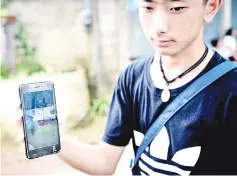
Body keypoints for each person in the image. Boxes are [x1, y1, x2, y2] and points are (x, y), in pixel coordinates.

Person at [17, 0, 237, 175]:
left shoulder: (230, 90)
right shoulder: (132, 77)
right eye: (148, 7)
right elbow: (104, 162)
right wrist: (51, 139)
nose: (159, 26)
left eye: (177, 8)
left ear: (211, 7)